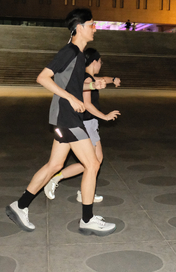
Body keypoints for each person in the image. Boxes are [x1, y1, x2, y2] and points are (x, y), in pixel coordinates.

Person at [6, 8, 117, 236]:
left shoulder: (77, 55)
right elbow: (42, 77)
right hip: (67, 117)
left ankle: (20, 205)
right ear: (79, 28)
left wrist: (91, 86)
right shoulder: (70, 51)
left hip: (65, 117)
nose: (95, 28)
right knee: (93, 164)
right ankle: (87, 219)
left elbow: (70, 85)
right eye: (92, 24)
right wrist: (70, 98)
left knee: (55, 165)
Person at [44, 48, 121, 202]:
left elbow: (103, 78)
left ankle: (84, 191)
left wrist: (113, 79)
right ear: (94, 61)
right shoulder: (87, 79)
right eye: (100, 61)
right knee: (91, 162)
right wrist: (105, 117)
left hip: (89, 123)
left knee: (95, 161)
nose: (101, 64)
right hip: (86, 123)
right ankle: (56, 179)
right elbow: (87, 104)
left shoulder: (89, 77)